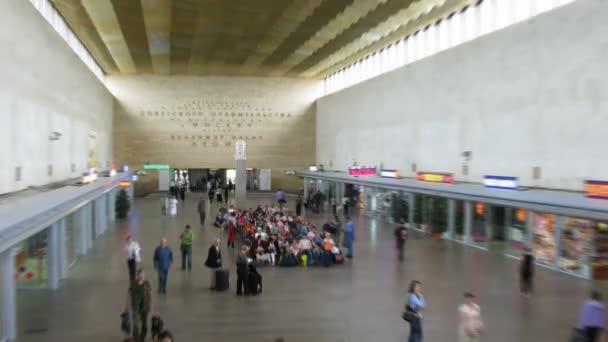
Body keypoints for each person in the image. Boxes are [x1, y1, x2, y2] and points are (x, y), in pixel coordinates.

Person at [125, 269, 152, 342]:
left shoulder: (147, 283)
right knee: (136, 325)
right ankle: (136, 339)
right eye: (140, 274)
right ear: (137, 275)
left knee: (144, 325)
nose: (142, 276)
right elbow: (129, 294)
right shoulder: (133, 283)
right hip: (135, 307)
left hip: (145, 307)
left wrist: (150, 305)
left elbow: (150, 295)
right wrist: (126, 306)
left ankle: (142, 338)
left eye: (143, 274)